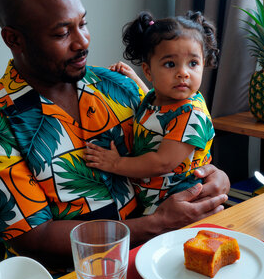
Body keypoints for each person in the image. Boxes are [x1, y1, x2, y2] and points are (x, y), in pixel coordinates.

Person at [0, 0, 229, 275]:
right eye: (62, 33)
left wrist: (215, 178)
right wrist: (156, 224)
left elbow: (173, 147)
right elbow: (33, 239)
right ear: (14, 39)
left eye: (83, 24)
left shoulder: (121, 86)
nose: (82, 41)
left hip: (159, 260)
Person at [85, 11, 218, 215]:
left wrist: (115, 163)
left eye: (193, 63)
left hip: (180, 202)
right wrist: (134, 78)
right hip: (154, 197)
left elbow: (162, 162)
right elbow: (157, 113)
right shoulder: (159, 99)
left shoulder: (192, 114)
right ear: (148, 71)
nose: (184, 72)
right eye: (170, 64)